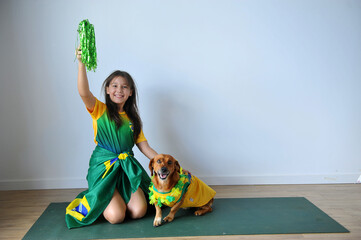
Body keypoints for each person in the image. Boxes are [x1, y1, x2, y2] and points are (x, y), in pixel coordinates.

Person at [65, 47, 158, 229]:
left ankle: (119, 197)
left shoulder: (133, 119)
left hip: (125, 169)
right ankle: (99, 195)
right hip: (104, 168)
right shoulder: (99, 110)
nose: (119, 90)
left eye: (124, 87)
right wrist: (81, 63)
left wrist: (164, 161)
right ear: (107, 90)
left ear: (131, 92)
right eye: (114, 86)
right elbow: (84, 93)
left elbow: (145, 147)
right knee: (116, 217)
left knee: (139, 211)